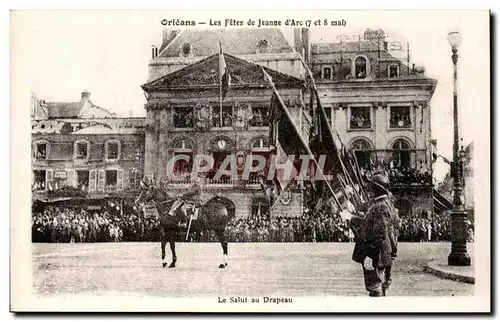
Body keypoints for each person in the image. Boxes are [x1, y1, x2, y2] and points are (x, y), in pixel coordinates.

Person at [351, 173, 398, 297]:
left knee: (375, 286)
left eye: (371, 188)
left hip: (376, 253)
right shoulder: (384, 204)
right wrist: (352, 218)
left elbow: (378, 234)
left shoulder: (380, 206)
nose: (369, 191)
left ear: (376, 190)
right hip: (383, 252)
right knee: (379, 284)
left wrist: (370, 255)